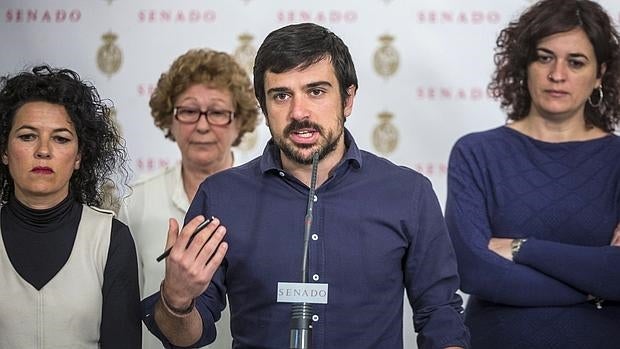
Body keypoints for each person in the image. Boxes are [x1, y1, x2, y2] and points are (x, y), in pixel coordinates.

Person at [142, 22, 470, 349]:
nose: (299, 112)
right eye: (281, 95)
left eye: (316, 91)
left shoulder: (408, 193)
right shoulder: (220, 197)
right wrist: (176, 300)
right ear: (264, 107)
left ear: (348, 99)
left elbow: (440, 316)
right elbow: (184, 337)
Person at [445, 0, 620, 348]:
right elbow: (473, 270)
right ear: (524, 63)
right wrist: (592, 287)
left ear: (599, 73)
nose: (558, 74)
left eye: (576, 62)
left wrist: (521, 248)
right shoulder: (476, 153)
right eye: (544, 57)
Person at [118, 48, 259, 349]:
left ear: (240, 122)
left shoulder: (268, 197)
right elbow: (122, 310)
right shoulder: (136, 202)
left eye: (218, 112)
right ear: (169, 119)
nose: (203, 125)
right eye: (189, 111)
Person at [0, 65, 140, 347]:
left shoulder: (111, 238)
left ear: (79, 157)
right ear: (4, 151)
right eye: (27, 136)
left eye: (60, 138)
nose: (43, 150)